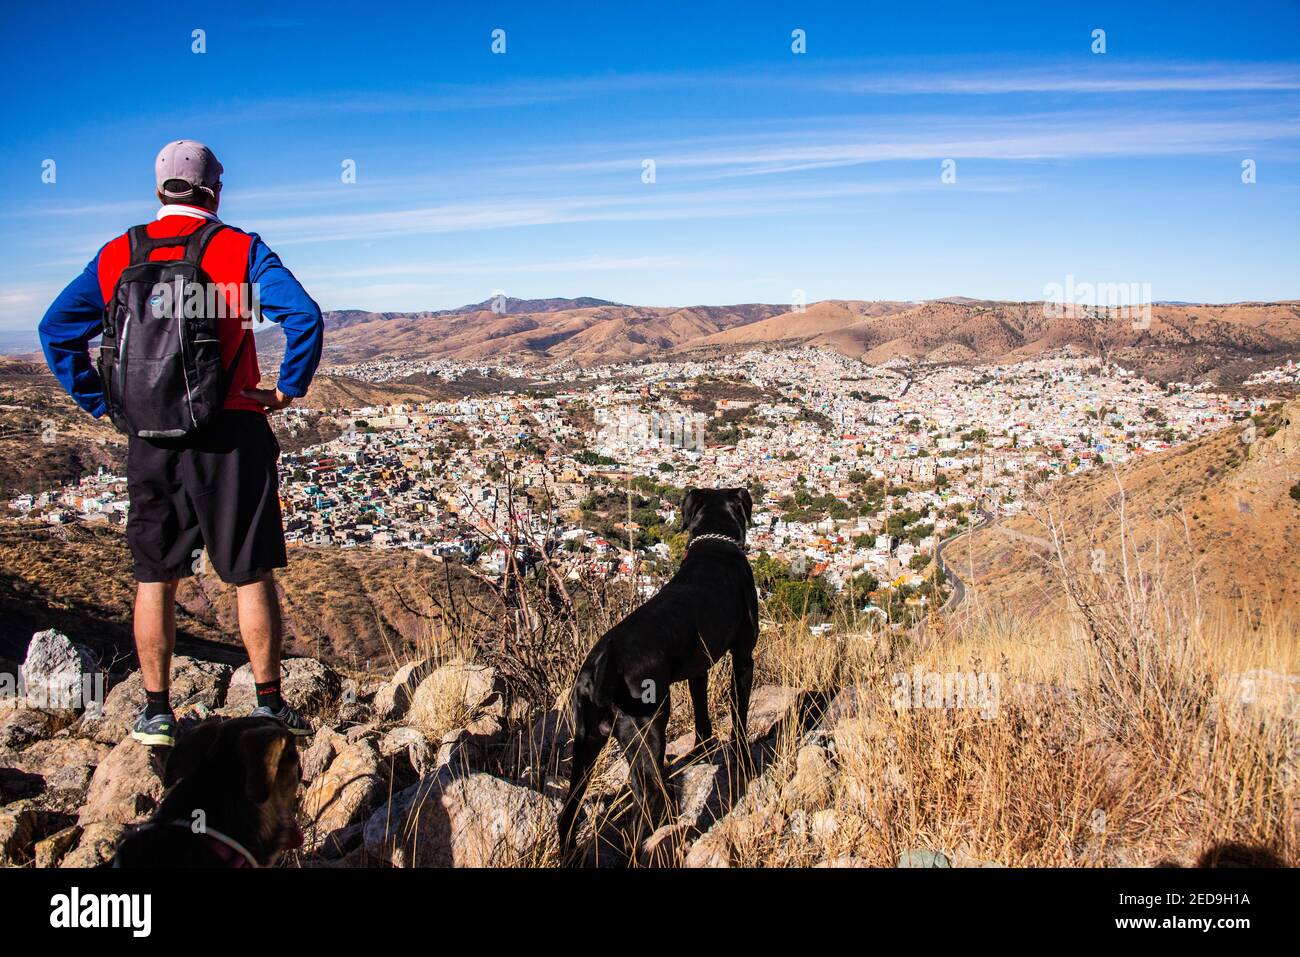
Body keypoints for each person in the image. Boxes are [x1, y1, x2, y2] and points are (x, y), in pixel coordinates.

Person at [38, 140, 324, 746]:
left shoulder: (119, 252)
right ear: (214, 191)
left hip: (151, 437)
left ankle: (156, 711)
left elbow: (56, 329)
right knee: (249, 574)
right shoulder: (237, 247)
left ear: (159, 189)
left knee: (156, 575)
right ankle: (269, 705)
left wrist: (105, 402)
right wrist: (286, 389)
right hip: (230, 434)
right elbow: (304, 316)